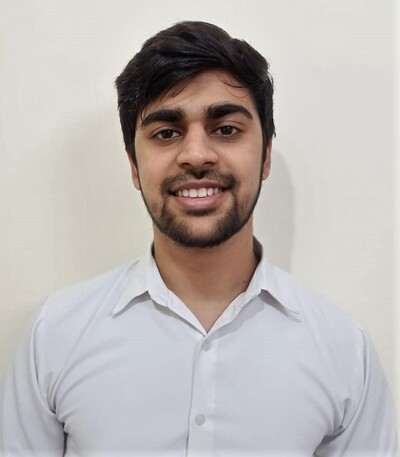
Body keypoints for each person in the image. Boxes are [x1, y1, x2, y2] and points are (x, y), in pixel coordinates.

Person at [0, 20, 397, 457]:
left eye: (226, 129)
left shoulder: (343, 350)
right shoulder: (53, 336)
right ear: (134, 167)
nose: (196, 155)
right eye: (166, 133)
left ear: (265, 156)